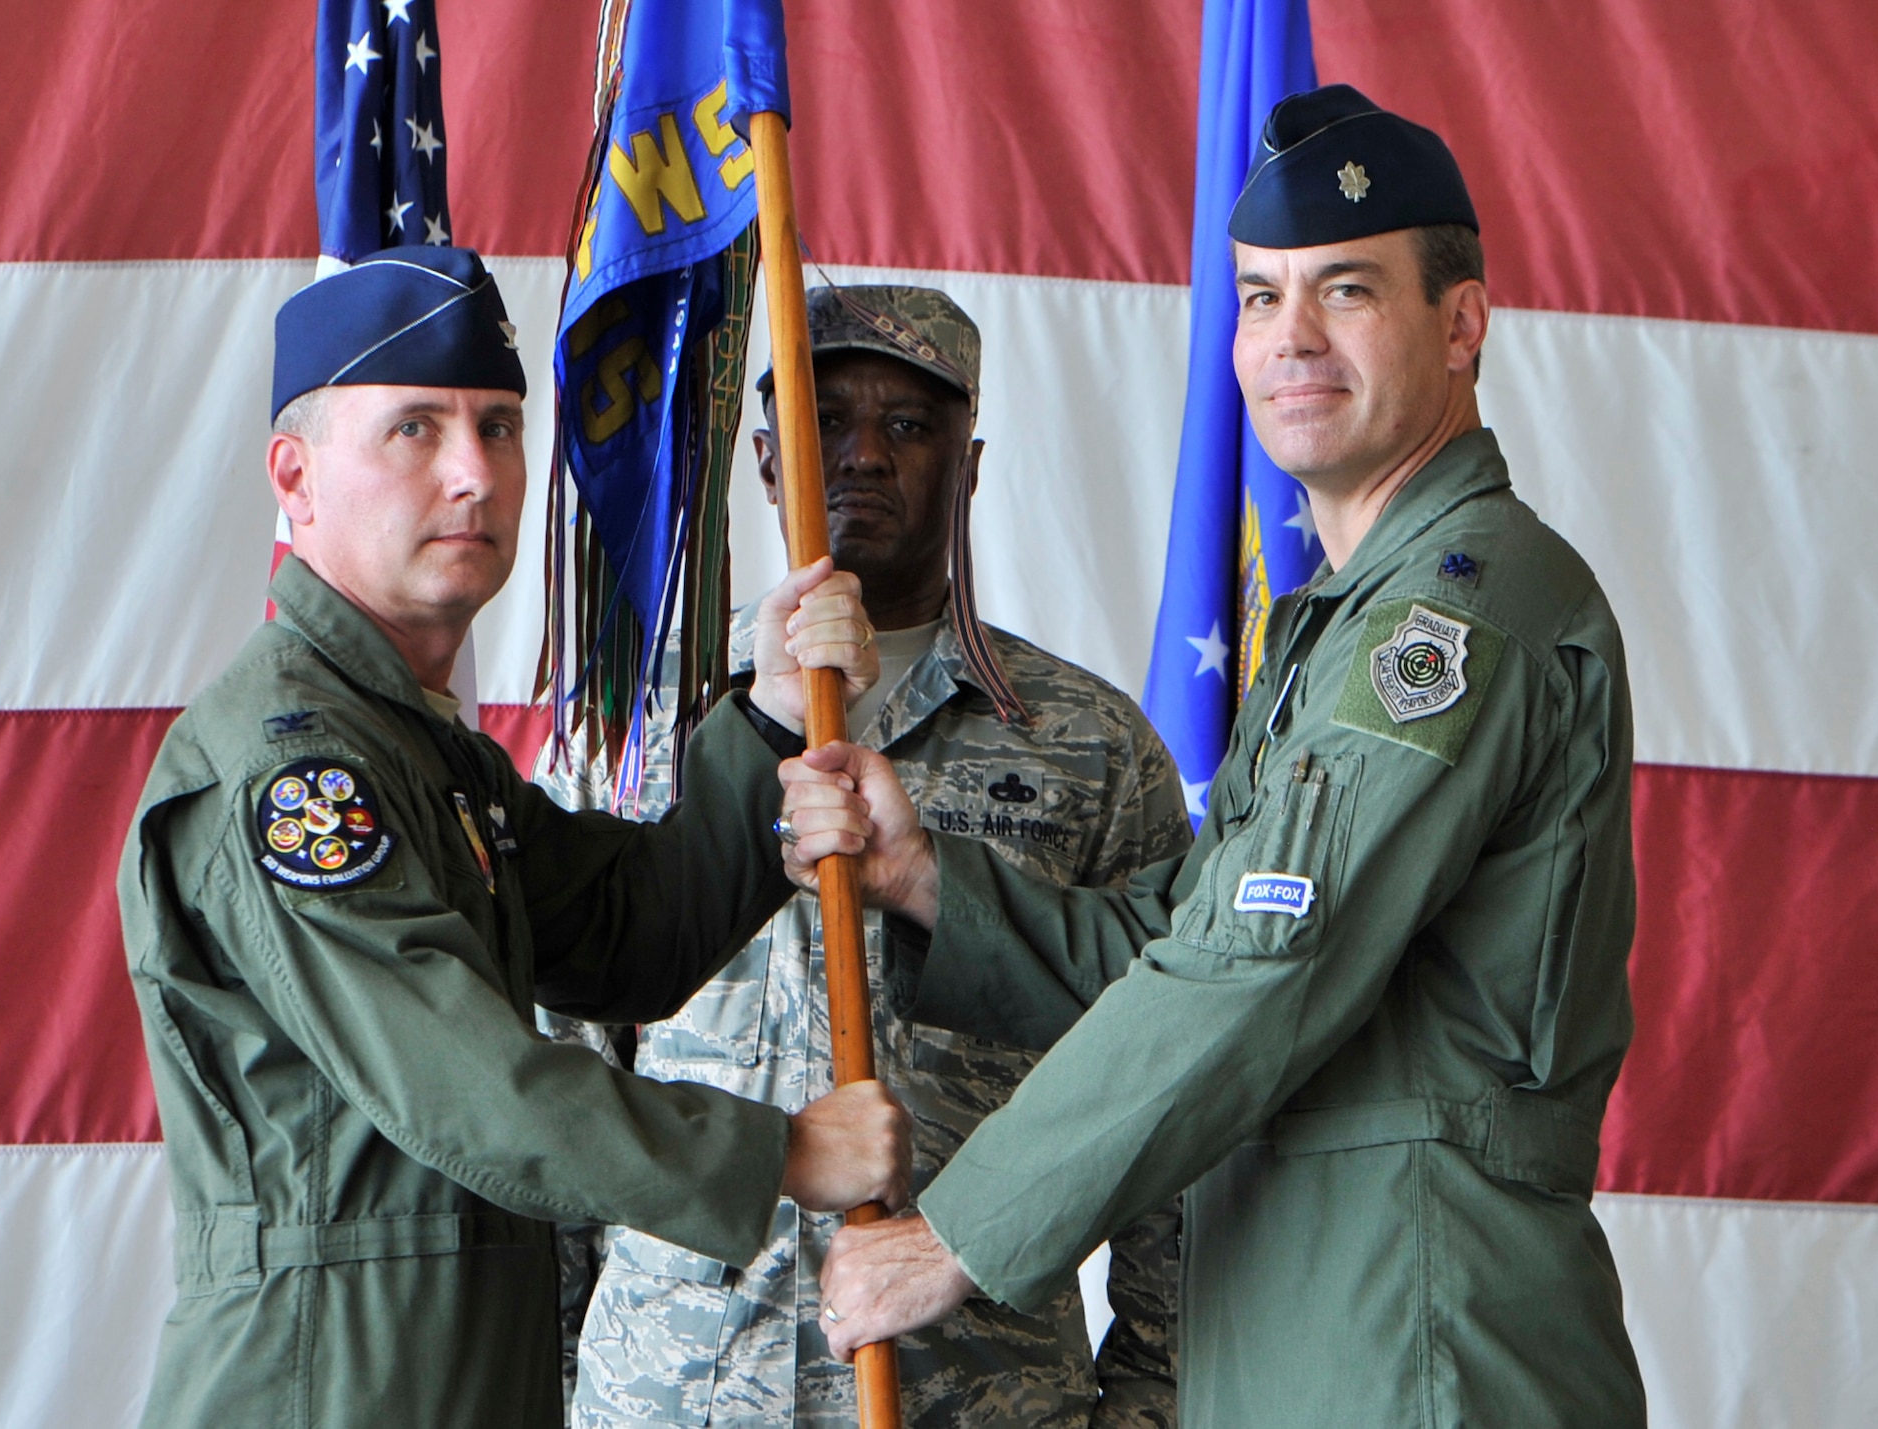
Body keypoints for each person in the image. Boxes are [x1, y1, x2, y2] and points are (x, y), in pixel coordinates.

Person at [788, 87, 1649, 1426]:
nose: (1288, 341)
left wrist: (955, 1235)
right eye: (1258, 298)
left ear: (1463, 323)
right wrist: (928, 883)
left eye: (1346, 292)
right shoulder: (1342, 617)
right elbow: (1185, 936)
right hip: (1316, 1309)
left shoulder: (1455, 617)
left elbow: (1258, 965)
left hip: (1414, 1328)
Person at [115, 245, 912, 1429]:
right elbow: (469, 1089)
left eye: (497, 427)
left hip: (446, 1370)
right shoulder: (296, 769)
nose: (473, 474)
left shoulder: (421, 747)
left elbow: (622, 935)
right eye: (413, 430)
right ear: (295, 477)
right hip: (326, 1381)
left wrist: (766, 716)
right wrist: (776, 1153)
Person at [539, 286, 1191, 1428]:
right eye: (825, 420)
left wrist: (1147, 1396)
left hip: (980, 1393)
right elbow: (556, 1077)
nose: (863, 456)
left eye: (908, 425)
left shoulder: (1089, 746)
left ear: (970, 462)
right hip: (675, 1391)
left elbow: (1169, 1082)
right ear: (764, 458)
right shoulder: (640, 731)